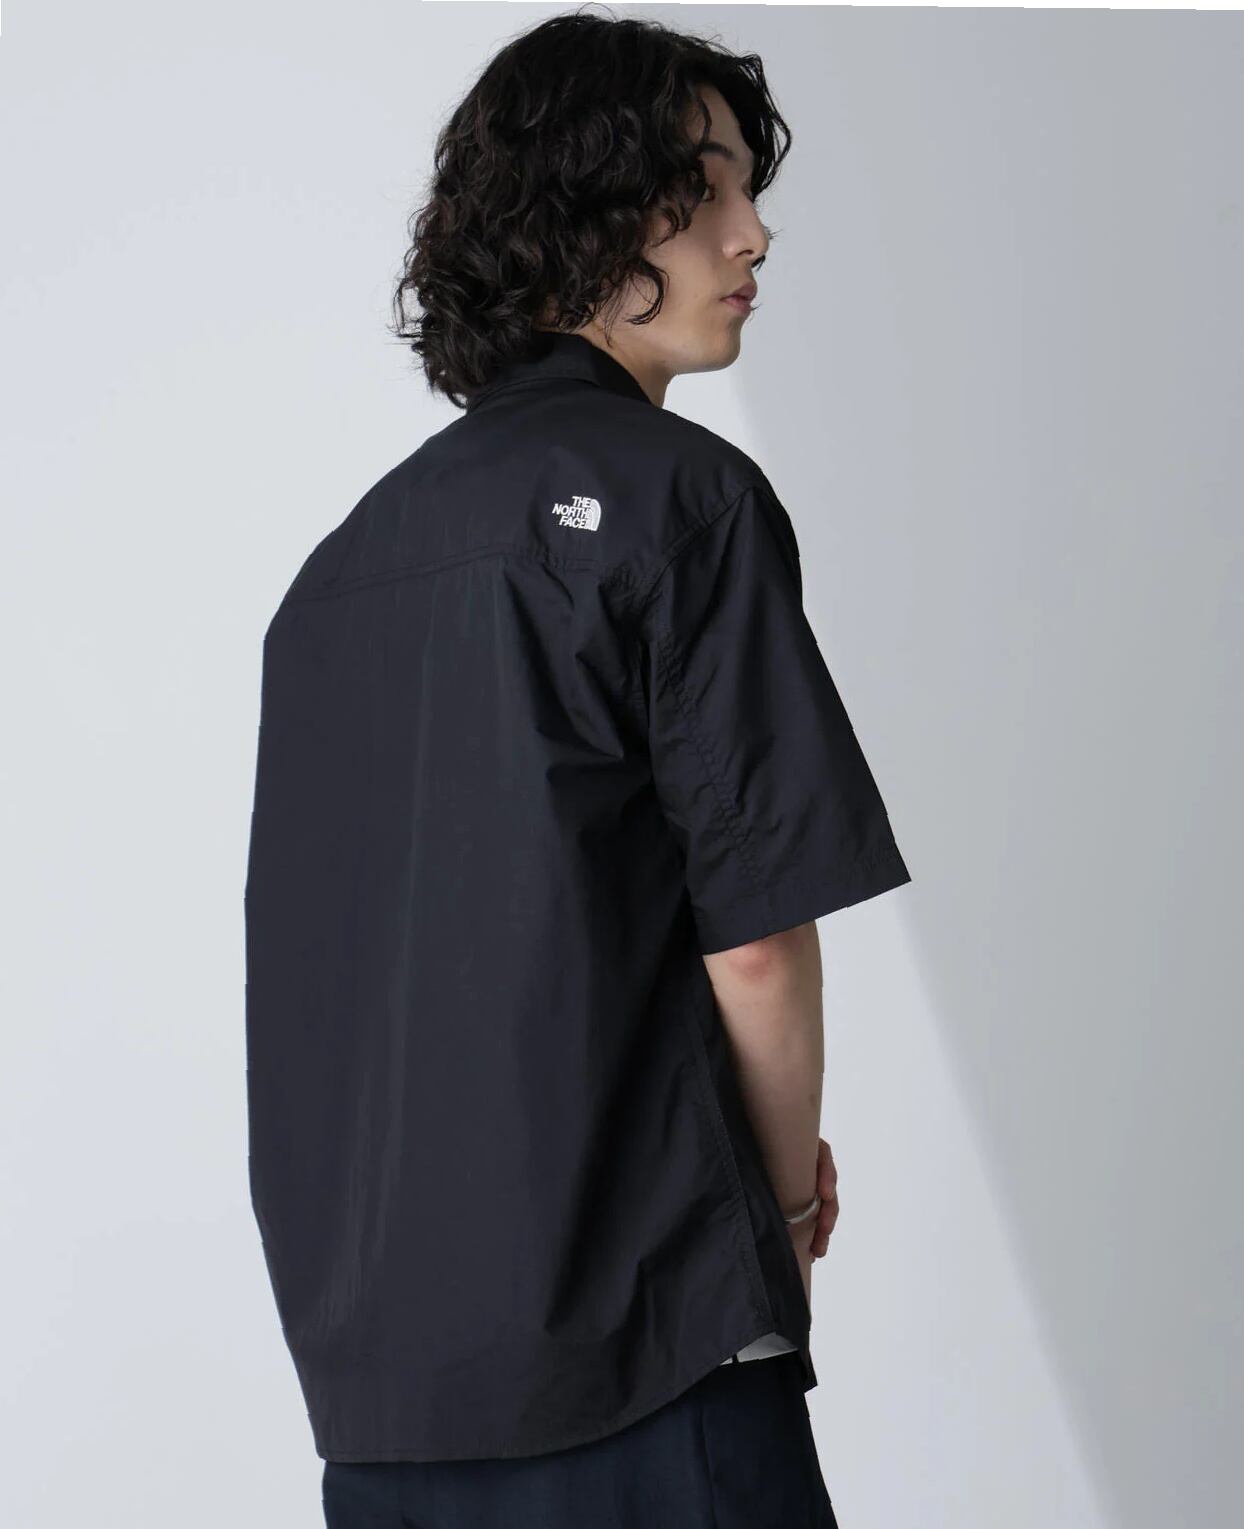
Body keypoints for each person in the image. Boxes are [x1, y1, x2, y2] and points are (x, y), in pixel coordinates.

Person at [243, 11, 911, 1526]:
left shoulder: (338, 573)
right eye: (701, 189)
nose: (752, 234)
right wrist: (779, 1214)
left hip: (386, 1412)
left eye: (748, 191)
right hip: (649, 1361)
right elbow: (757, 944)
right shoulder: (683, 501)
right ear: (581, 211)